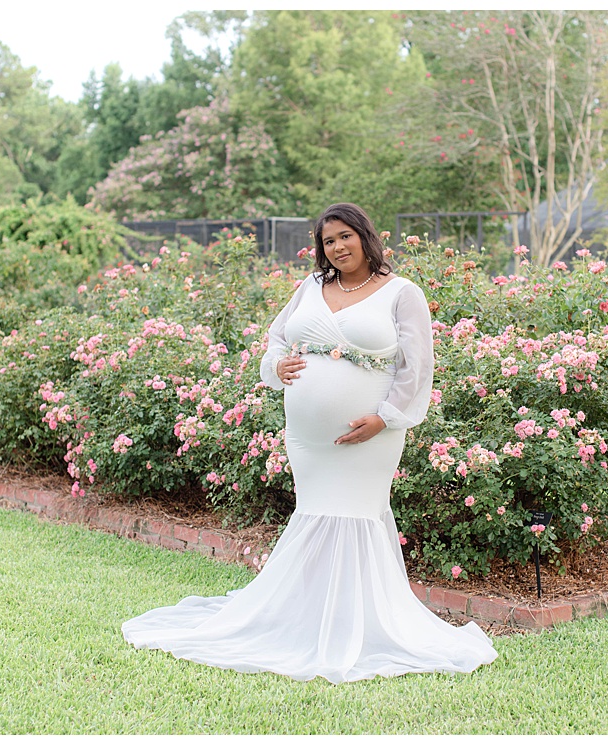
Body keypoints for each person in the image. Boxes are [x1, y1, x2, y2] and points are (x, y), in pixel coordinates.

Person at [122, 203, 497, 682]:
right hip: (305, 438)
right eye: (328, 241)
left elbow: (416, 368)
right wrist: (277, 367)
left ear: (365, 236)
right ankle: (305, 621)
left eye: (345, 236)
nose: (338, 247)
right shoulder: (312, 287)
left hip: (372, 436)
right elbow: (277, 338)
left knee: (356, 516)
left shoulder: (403, 293)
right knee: (314, 515)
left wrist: (384, 419)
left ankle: (359, 628)